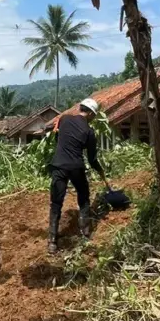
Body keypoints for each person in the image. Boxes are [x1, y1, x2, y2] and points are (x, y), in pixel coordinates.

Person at [46, 97, 108, 254]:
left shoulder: (64, 119)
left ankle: (52, 242)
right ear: (91, 114)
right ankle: (85, 232)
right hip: (75, 167)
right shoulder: (89, 131)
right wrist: (100, 170)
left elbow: (58, 138)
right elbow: (92, 159)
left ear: (80, 108)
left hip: (58, 165)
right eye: (94, 116)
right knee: (83, 196)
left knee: (56, 203)